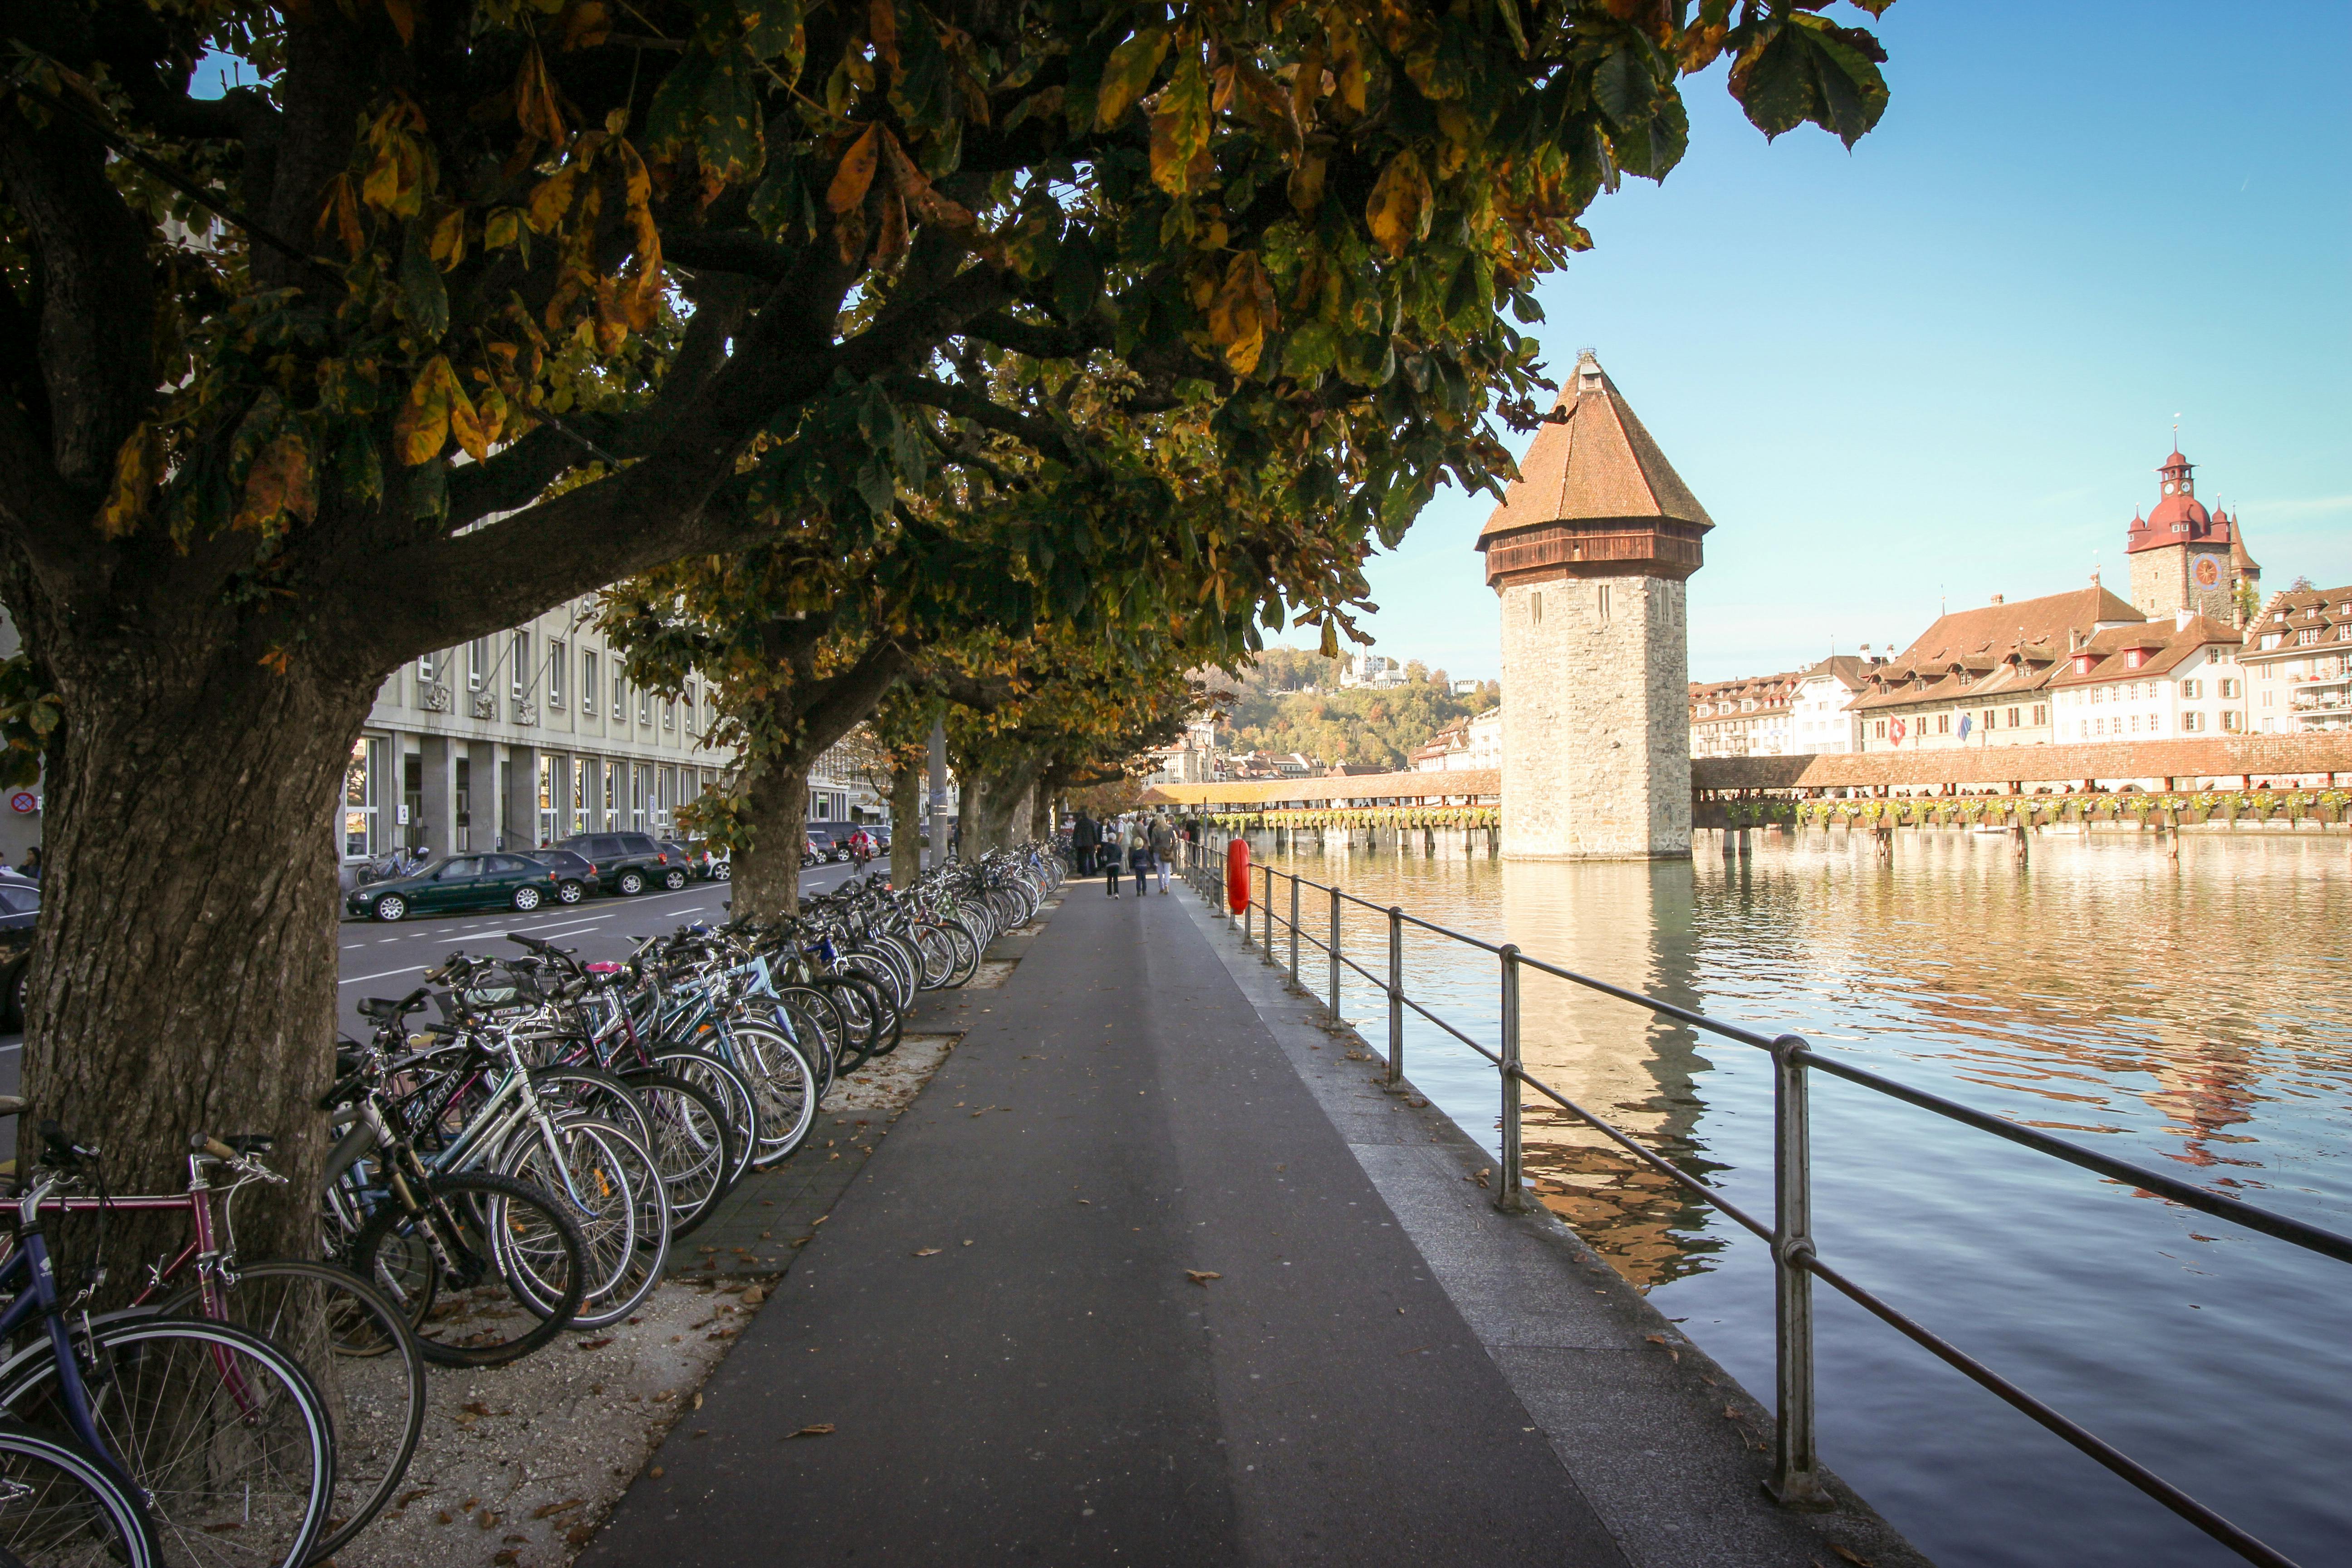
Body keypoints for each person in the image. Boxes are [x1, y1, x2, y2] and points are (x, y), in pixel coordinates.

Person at [1148, 813, 1175, 894]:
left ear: (1158, 821)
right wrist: (1171, 848)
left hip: (1157, 851)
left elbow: (1153, 842)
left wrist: (1152, 849)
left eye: (1156, 820)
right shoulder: (1169, 828)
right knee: (1167, 870)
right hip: (1167, 851)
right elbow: (1174, 839)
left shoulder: (1155, 830)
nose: (1155, 822)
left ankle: (1162, 887)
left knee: (1159, 870)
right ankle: (1167, 884)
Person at [1103, 813, 1125, 897]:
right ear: (1115, 839)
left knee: (1109, 879)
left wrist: (1105, 862)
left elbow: (1105, 857)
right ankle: (1117, 893)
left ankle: (1109, 894)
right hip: (1116, 864)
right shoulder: (1117, 847)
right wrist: (1119, 861)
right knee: (1116, 879)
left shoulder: (1106, 847)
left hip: (1109, 864)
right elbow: (1121, 855)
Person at [1071, 810, 1099, 875]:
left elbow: (1075, 834)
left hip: (1081, 844)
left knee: (1082, 858)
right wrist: (1096, 843)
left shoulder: (1079, 823)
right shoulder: (1091, 822)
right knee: (1091, 858)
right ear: (1087, 815)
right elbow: (1094, 833)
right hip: (1090, 843)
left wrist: (1075, 843)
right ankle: (1093, 872)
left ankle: (1084, 872)